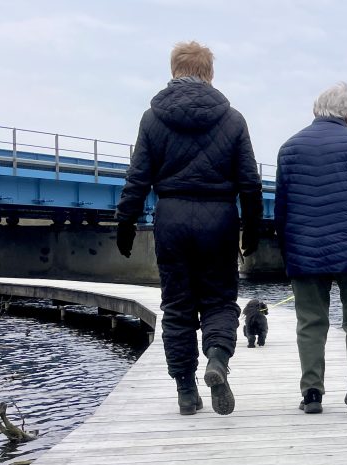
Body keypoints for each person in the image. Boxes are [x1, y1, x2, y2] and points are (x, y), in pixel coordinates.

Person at [116, 41, 263, 416]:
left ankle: (185, 389)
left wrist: (126, 222)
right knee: (218, 300)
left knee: (178, 307)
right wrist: (252, 227)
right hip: (219, 222)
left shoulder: (152, 119)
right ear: (209, 73)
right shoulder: (233, 119)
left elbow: (138, 178)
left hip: (173, 220)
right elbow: (249, 181)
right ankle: (216, 359)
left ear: (174, 69)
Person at [275, 82, 347, 414]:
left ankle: (312, 393)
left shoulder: (289, 148)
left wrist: (287, 249)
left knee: (311, 322)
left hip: (305, 250)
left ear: (316, 110)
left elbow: (281, 208)